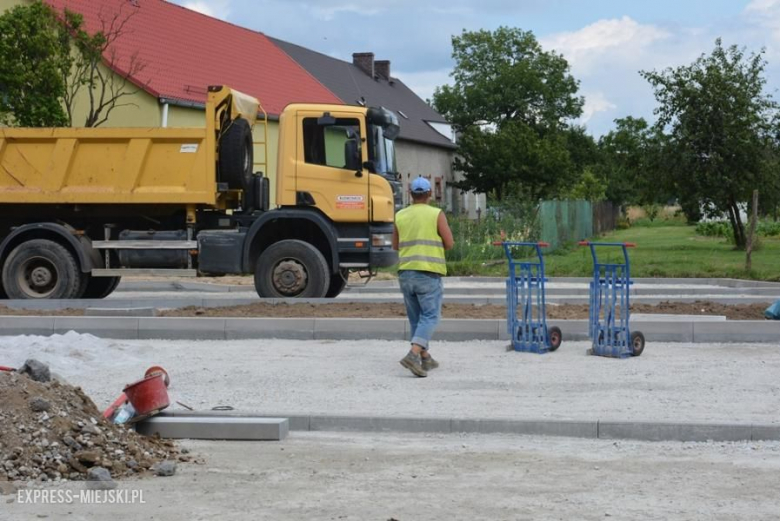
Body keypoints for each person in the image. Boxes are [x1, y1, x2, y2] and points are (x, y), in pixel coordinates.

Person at [392, 176, 454, 377]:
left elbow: (395, 245)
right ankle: (412, 355)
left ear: (410, 194)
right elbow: (449, 242)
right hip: (427, 272)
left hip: (406, 273)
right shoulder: (436, 214)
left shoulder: (400, 215)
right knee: (430, 316)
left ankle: (425, 358)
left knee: (416, 319)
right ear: (429, 194)